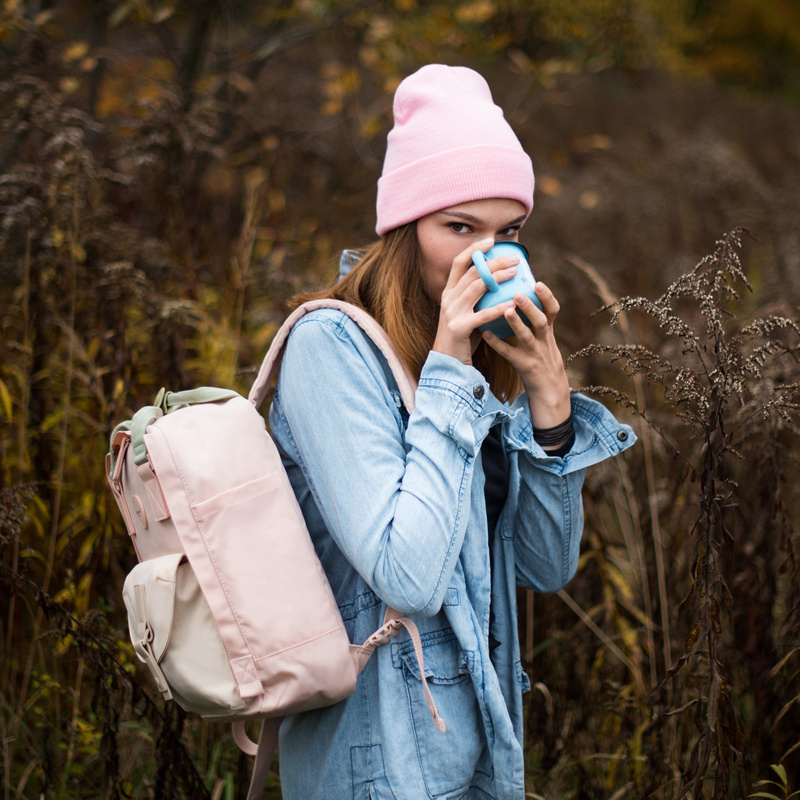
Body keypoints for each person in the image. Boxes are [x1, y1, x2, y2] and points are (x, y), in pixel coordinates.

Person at [268, 63, 636, 800]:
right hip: (378, 762)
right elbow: (408, 576)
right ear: (405, 229)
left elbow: (543, 566)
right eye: (459, 227)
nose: (485, 254)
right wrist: (447, 372)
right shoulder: (330, 350)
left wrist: (549, 403)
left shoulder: (471, 357)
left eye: (508, 233)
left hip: (478, 753)